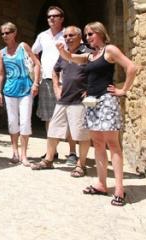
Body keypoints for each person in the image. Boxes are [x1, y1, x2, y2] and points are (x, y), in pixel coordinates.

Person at [57, 22, 136, 207]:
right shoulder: (91, 56)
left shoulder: (110, 50)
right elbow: (71, 57)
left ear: (100, 32)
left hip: (106, 101)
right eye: (86, 34)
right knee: (98, 143)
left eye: (90, 33)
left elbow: (131, 67)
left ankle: (119, 189)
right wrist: (62, 50)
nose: (87, 37)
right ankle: (101, 184)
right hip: (92, 103)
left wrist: (123, 90)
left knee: (113, 145)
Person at [31, 26, 91, 177]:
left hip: (80, 100)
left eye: (71, 35)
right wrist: (56, 87)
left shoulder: (87, 53)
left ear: (79, 36)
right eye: (65, 36)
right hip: (64, 98)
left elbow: (96, 72)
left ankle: (81, 165)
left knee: (81, 134)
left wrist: (90, 89)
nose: (68, 38)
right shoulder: (64, 53)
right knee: (53, 130)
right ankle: (49, 160)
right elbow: (55, 70)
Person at [32, 6, 74, 162]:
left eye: (55, 16)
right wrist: (38, 65)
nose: (51, 18)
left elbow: (78, 50)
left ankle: (72, 152)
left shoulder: (68, 35)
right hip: (47, 80)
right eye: (49, 16)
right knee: (48, 116)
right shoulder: (42, 36)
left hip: (66, 80)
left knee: (70, 116)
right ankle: (52, 151)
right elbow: (34, 51)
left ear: (61, 18)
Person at [0, 22, 40, 167]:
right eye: (2, 33)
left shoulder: (23, 47)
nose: (5, 35)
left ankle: (24, 155)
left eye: (7, 32)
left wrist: (35, 84)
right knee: (12, 122)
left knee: (25, 121)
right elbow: (1, 73)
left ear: (14, 33)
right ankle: (15, 153)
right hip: (9, 91)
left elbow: (36, 64)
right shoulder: (2, 52)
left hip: (26, 89)